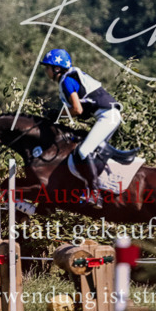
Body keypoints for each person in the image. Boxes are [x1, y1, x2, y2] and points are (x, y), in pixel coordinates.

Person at [42, 48, 121, 208]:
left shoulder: (66, 81)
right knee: (90, 150)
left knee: (84, 151)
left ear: (56, 68)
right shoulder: (67, 78)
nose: (46, 71)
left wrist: (58, 115)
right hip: (108, 116)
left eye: (47, 67)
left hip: (108, 116)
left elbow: (77, 110)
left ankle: (94, 193)